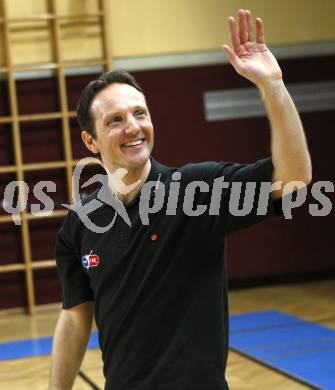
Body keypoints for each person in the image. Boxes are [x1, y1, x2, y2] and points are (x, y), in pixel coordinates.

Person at [49, 9, 311, 390]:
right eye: (115, 120)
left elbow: (293, 178)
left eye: (140, 113)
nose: (134, 127)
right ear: (91, 141)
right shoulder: (78, 225)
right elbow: (75, 317)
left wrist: (272, 86)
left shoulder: (197, 191)